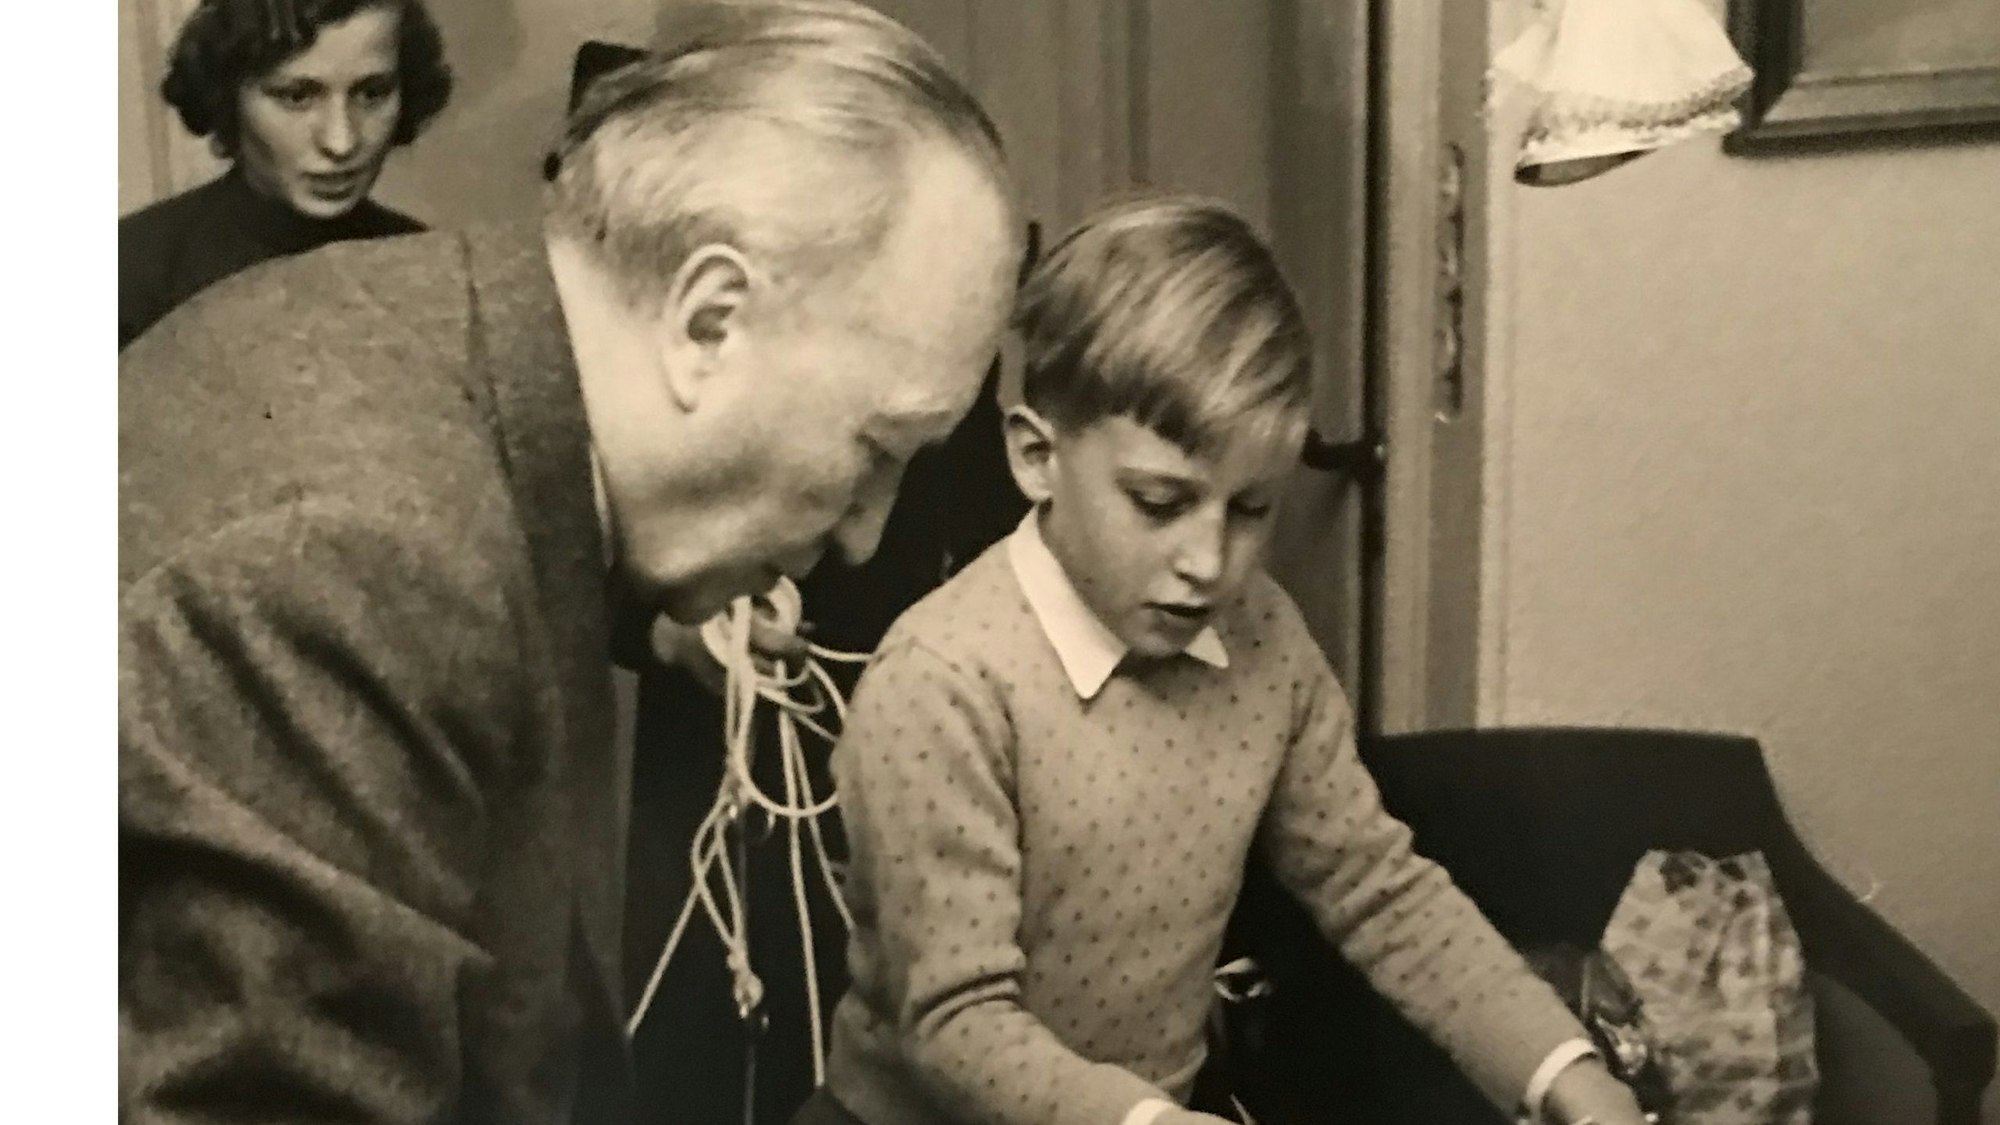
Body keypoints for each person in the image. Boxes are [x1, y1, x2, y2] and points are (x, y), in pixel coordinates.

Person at [118, 2, 1022, 1122]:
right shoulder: (363, 567)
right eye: (877, 450)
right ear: (707, 322)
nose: (863, 533)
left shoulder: (455, 363)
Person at [799, 197, 1650, 1125]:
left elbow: (1378, 888)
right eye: (1160, 503)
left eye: (1250, 509)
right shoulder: (942, 681)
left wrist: (1563, 1067)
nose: (1209, 562)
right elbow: (956, 1022)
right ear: (1037, 457)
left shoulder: (1263, 639)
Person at [118, 0, 452, 349]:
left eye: (372, 93)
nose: (341, 142)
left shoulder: (429, 266)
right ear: (226, 98)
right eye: (296, 97)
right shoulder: (125, 273)